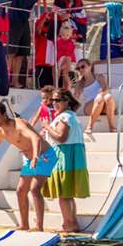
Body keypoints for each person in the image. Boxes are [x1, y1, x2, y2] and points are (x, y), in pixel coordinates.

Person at [0, 101, 55, 232]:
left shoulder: (19, 124)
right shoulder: (1, 131)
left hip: (44, 155)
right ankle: (24, 225)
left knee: (34, 189)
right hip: (30, 158)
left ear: (4, 115)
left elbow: (35, 139)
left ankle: (39, 227)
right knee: (20, 191)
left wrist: (35, 156)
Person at [42, 89, 91, 232]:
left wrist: (46, 127)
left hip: (64, 158)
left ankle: (68, 224)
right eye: (53, 100)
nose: (54, 103)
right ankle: (72, 223)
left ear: (67, 101)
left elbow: (61, 137)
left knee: (64, 195)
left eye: (57, 100)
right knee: (68, 194)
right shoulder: (71, 116)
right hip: (70, 157)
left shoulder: (64, 117)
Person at [73, 59, 117, 134]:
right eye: (78, 68)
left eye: (83, 66)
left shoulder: (99, 77)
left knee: (108, 97)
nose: (80, 69)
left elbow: (105, 89)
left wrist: (100, 95)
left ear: (90, 66)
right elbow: (75, 97)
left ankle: (111, 127)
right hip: (89, 107)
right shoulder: (79, 83)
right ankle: (89, 126)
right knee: (100, 98)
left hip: (102, 101)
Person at [55, 20, 80, 91]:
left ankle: (67, 87)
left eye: (67, 35)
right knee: (63, 72)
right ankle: (64, 85)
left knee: (66, 73)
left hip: (69, 59)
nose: (65, 37)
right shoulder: (59, 41)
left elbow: (70, 51)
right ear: (60, 34)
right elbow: (61, 51)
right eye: (63, 35)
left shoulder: (71, 42)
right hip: (62, 58)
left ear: (70, 35)